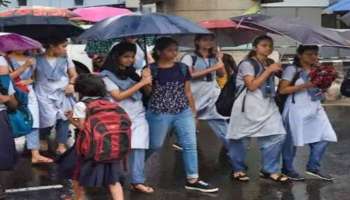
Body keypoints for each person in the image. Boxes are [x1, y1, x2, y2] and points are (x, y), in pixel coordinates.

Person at [146, 37, 218, 193]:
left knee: (190, 145)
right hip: (159, 112)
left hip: (182, 111)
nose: (174, 53)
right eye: (170, 50)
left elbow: (187, 92)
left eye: (175, 49)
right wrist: (146, 82)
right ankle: (136, 170)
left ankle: (193, 178)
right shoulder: (150, 69)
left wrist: (193, 113)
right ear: (159, 52)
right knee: (155, 145)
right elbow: (147, 93)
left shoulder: (182, 68)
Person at [227, 35, 288, 183]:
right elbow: (252, 86)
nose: (268, 48)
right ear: (255, 47)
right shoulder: (247, 64)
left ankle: (270, 169)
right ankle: (238, 169)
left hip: (268, 104)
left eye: (270, 46)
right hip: (247, 106)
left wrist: (282, 70)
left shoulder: (270, 62)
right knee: (240, 139)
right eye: (264, 45)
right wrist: (268, 71)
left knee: (277, 134)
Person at [100, 42, 154, 193]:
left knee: (139, 146)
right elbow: (118, 96)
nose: (130, 60)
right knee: (118, 148)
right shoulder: (106, 75)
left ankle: (138, 180)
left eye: (132, 56)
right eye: (126, 57)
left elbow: (147, 93)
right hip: (117, 115)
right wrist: (141, 83)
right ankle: (113, 177)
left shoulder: (133, 74)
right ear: (117, 57)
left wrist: (147, 80)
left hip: (138, 113)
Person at [279, 45, 337, 181]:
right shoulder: (292, 69)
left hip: (315, 107)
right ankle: (287, 169)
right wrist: (306, 85)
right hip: (296, 108)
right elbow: (282, 90)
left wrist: (326, 81)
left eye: (315, 54)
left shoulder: (318, 70)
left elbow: (320, 87)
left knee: (326, 135)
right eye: (309, 54)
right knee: (292, 141)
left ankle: (313, 166)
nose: (313, 57)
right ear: (300, 55)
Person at [66, 74, 126, 200]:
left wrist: (71, 118)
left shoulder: (81, 105)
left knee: (77, 174)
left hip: (89, 148)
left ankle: (78, 198)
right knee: (113, 179)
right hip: (111, 146)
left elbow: (82, 127)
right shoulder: (108, 103)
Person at [180, 34, 231, 159]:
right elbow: (188, 75)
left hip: (212, 94)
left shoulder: (214, 57)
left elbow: (221, 74)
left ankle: (233, 150)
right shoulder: (189, 57)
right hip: (194, 94)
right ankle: (189, 152)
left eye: (211, 39)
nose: (208, 42)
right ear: (197, 42)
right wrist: (213, 68)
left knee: (220, 120)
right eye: (205, 40)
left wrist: (220, 60)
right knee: (190, 124)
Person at [7, 50, 53, 164]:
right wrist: (24, 66)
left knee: (33, 120)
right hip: (12, 93)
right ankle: (7, 151)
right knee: (11, 120)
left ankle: (35, 154)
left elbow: (35, 77)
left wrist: (29, 80)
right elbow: (6, 78)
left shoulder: (31, 57)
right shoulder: (6, 59)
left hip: (29, 92)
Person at [35, 38, 78, 155]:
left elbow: (74, 75)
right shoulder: (36, 59)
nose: (65, 49)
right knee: (46, 118)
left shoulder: (66, 59)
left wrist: (71, 84)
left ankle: (61, 144)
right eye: (63, 46)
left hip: (63, 92)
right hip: (43, 93)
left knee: (64, 118)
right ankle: (42, 137)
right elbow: (32, 77)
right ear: (52, 45)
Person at [0, 56, 18, 199]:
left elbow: (12, 104)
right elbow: (12, 104)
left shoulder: (5, 80)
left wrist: (7, 99)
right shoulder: (5, 80)